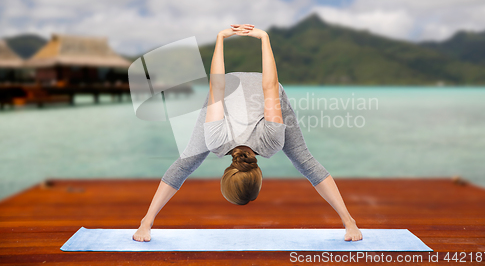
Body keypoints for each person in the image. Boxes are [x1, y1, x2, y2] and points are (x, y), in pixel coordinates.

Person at [133, 24, 363, 243]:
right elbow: (257, 87)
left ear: (260, 176)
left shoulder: (246, 140)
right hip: (238, 89)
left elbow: (232, 87)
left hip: (235, 91)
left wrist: (257, 38)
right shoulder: (235, 140)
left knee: (305, 161)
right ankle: (145, 221)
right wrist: (226, 39)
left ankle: (350, 222)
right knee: (187, 162)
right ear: (225, 174)